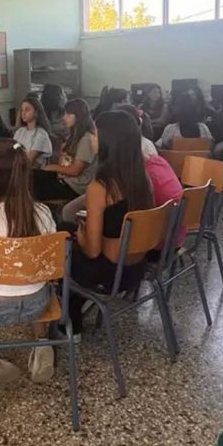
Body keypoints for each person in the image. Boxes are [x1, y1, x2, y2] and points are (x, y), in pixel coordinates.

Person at [0, 140, 57, 384]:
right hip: (37, 303)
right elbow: (50, 271)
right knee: (37, 278)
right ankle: (42, 343)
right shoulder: (43, 213)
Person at [69, 110, 155, 336]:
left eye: (96, 134)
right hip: (136, 268)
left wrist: (82, 236)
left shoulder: (100, 187)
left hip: (109, 274)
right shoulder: (143, 179)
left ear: (109, 142)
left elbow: (92, 251)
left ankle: (70, 324)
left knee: (62, 243)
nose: (92, 138)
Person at [34, 98, 97, 202]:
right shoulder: (72, 136)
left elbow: (75, 171)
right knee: (34, 175)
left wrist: (53, 167)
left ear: (78, 116)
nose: (64, 117)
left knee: (36, 185)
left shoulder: (86, 139)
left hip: (77, 186)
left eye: (68, 114)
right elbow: (64, 163)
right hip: (66, 179)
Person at [14, 96, 53, 166]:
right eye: (22, 110)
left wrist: (19, 149)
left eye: (27, 110)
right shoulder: (19, 132)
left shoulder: (41, 134)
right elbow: (13, 148)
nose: (23, 113)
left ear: (36, 112)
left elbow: (29, 158)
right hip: (18, 166)